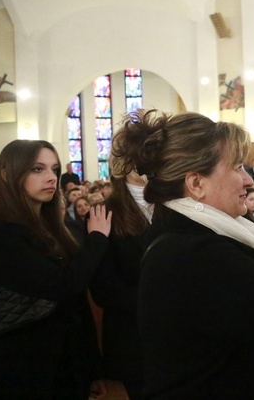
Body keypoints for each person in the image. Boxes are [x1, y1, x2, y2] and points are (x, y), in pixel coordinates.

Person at [117, 109, 254, 398]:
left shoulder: (191, 235)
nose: (248, 179)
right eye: (236, 167)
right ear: (196, 184)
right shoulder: (193, 254)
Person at [0, 139, 112, 398]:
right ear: (9, 175)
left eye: (54, 169)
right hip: (23, 371)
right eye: (37, 169)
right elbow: (62, 286)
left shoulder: (55, 229)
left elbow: (77, 305)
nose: (51, 178)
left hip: (67, 366)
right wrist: (97, 238)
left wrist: (92, 367)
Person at [89, 163, 153, 399]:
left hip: (180, 340)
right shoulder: (105, 213)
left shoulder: (176, 206)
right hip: (133, 340)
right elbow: (104, 289)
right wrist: (160, 301)